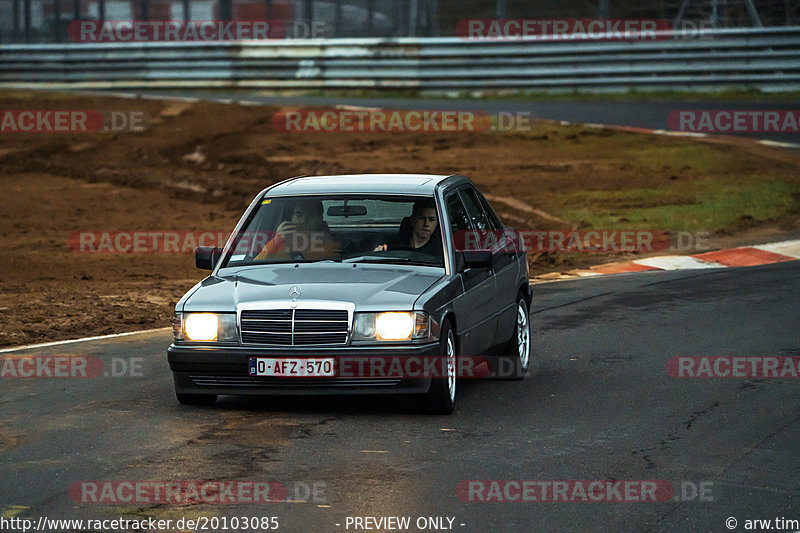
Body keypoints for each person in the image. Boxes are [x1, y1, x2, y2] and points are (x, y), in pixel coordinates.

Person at [256, 199, 340, 260]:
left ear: (319, 219)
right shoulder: (277, 245)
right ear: (291, 217)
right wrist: (275, 242)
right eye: (299, 215)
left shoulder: (332, 247)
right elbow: (255, 268)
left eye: (310, 216)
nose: (303, 221)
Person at [374, 199, 442, 259]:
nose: (426, 224)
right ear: (412, 220)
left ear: (437, 223)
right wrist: (378, 254)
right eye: (421, 218)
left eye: (431, 219)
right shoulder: (394, 247)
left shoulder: (442, 252)